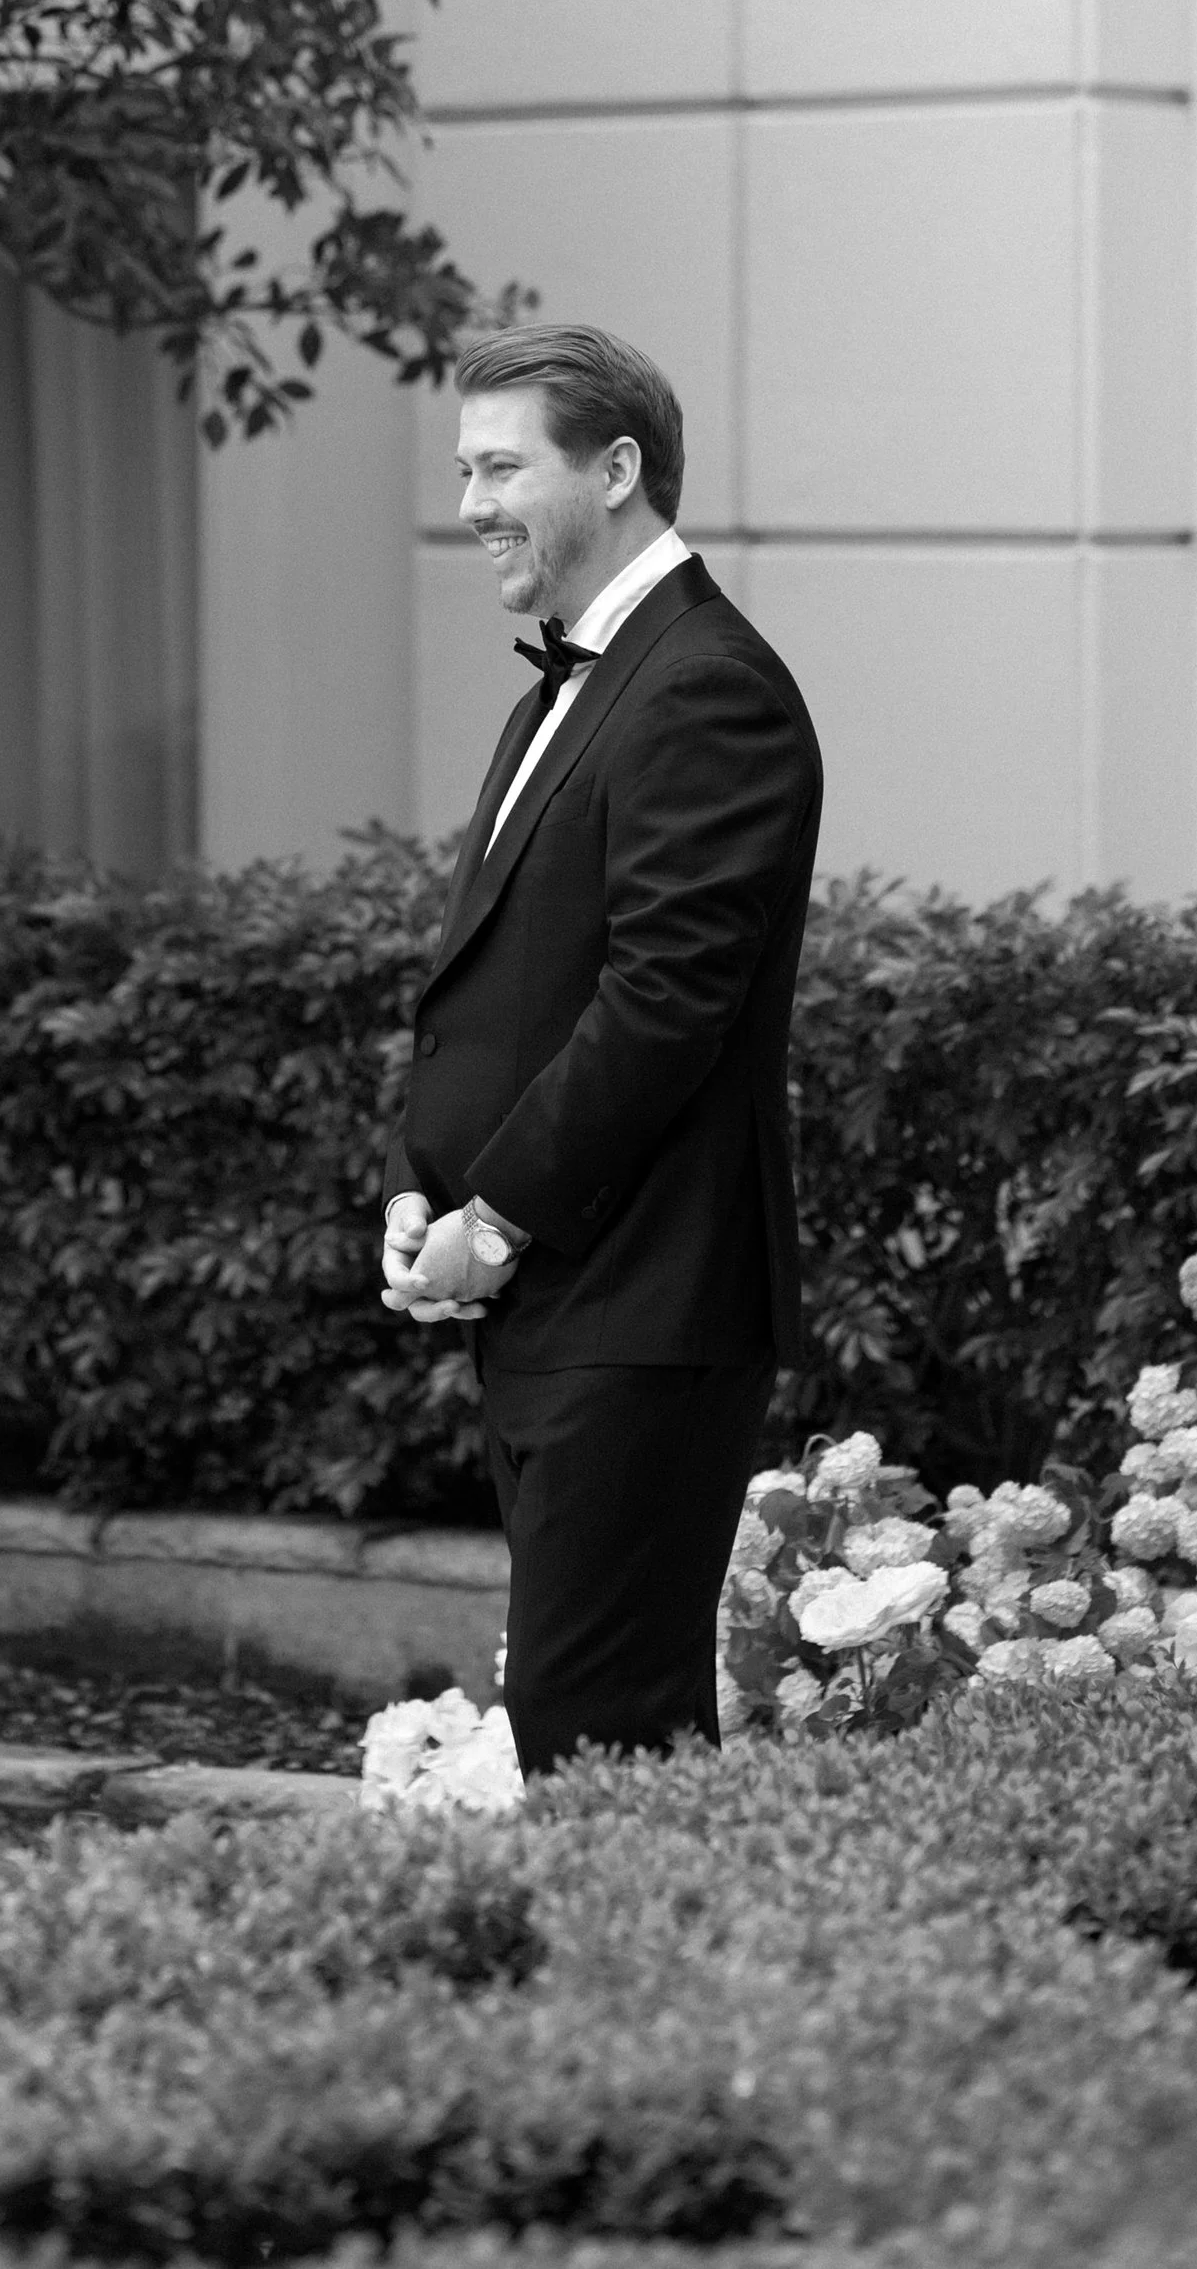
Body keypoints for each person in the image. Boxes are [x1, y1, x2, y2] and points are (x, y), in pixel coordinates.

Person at [381, 322, 820, 1778]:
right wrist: (416, 1187)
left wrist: (493, 1218)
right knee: (595, 1740)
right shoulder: (562, 686)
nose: (471, 503)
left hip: (646, 1300)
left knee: (599, 1749)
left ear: (618, 467)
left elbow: (665, 1001)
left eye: (503, 464)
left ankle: (635, 2002)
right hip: (566, 1303)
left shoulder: (704, 684)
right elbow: (500, 984)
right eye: (466, 467)